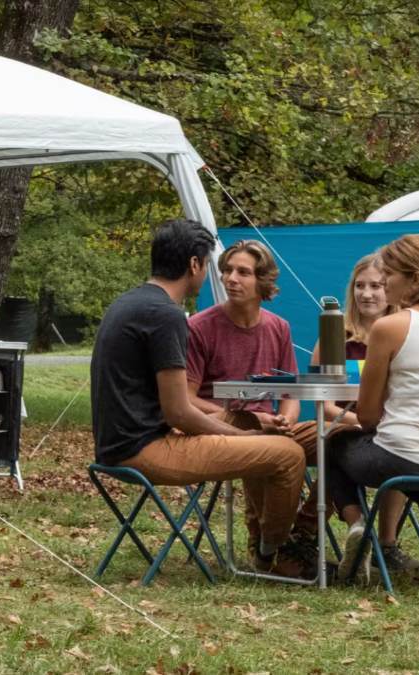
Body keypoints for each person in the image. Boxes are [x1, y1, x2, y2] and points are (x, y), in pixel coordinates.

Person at [91, 219, 307, 576]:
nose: (215, 276)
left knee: (289, 435)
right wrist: (243, 437)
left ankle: (284, 543)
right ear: (195, 264)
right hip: (144, 449)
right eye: (211, 266)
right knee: (288, 454)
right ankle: (273, 553)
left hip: (120, 443)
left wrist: (245, 427)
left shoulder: (131, 302)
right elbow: (179, 412)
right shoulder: (166, 315)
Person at [329, 234, 419, 582]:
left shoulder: (391, 327)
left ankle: (358, 529)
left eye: (389, 275)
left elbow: (367, 416)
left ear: (415, 278)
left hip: (405, 457)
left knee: (333, 442)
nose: (384, 283)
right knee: (417, 452)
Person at [184, 239, 317, 574]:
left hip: (271, 423)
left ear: (263, 282)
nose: (231, 278)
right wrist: (258, 420)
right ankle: (270, 543)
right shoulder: (200, 326)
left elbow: (290, 392)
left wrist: (285, 420)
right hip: (223, 422)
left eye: (243, 272)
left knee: (340, 437)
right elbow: (185, 399)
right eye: (227, 270)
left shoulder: (278, 327)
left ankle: (303, 530)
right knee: (261, 441)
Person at [310, 255, 419, 574]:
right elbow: (326, 405)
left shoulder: (405, 336)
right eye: (359, 286)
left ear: (389, 289)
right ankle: (360, 534)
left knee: (398, 442)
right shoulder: (335, 334)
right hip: (350, 426)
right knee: (332, 439)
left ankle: (382, 544)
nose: (367, 293)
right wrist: (363, 421)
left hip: (394, 430)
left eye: (376, 285)